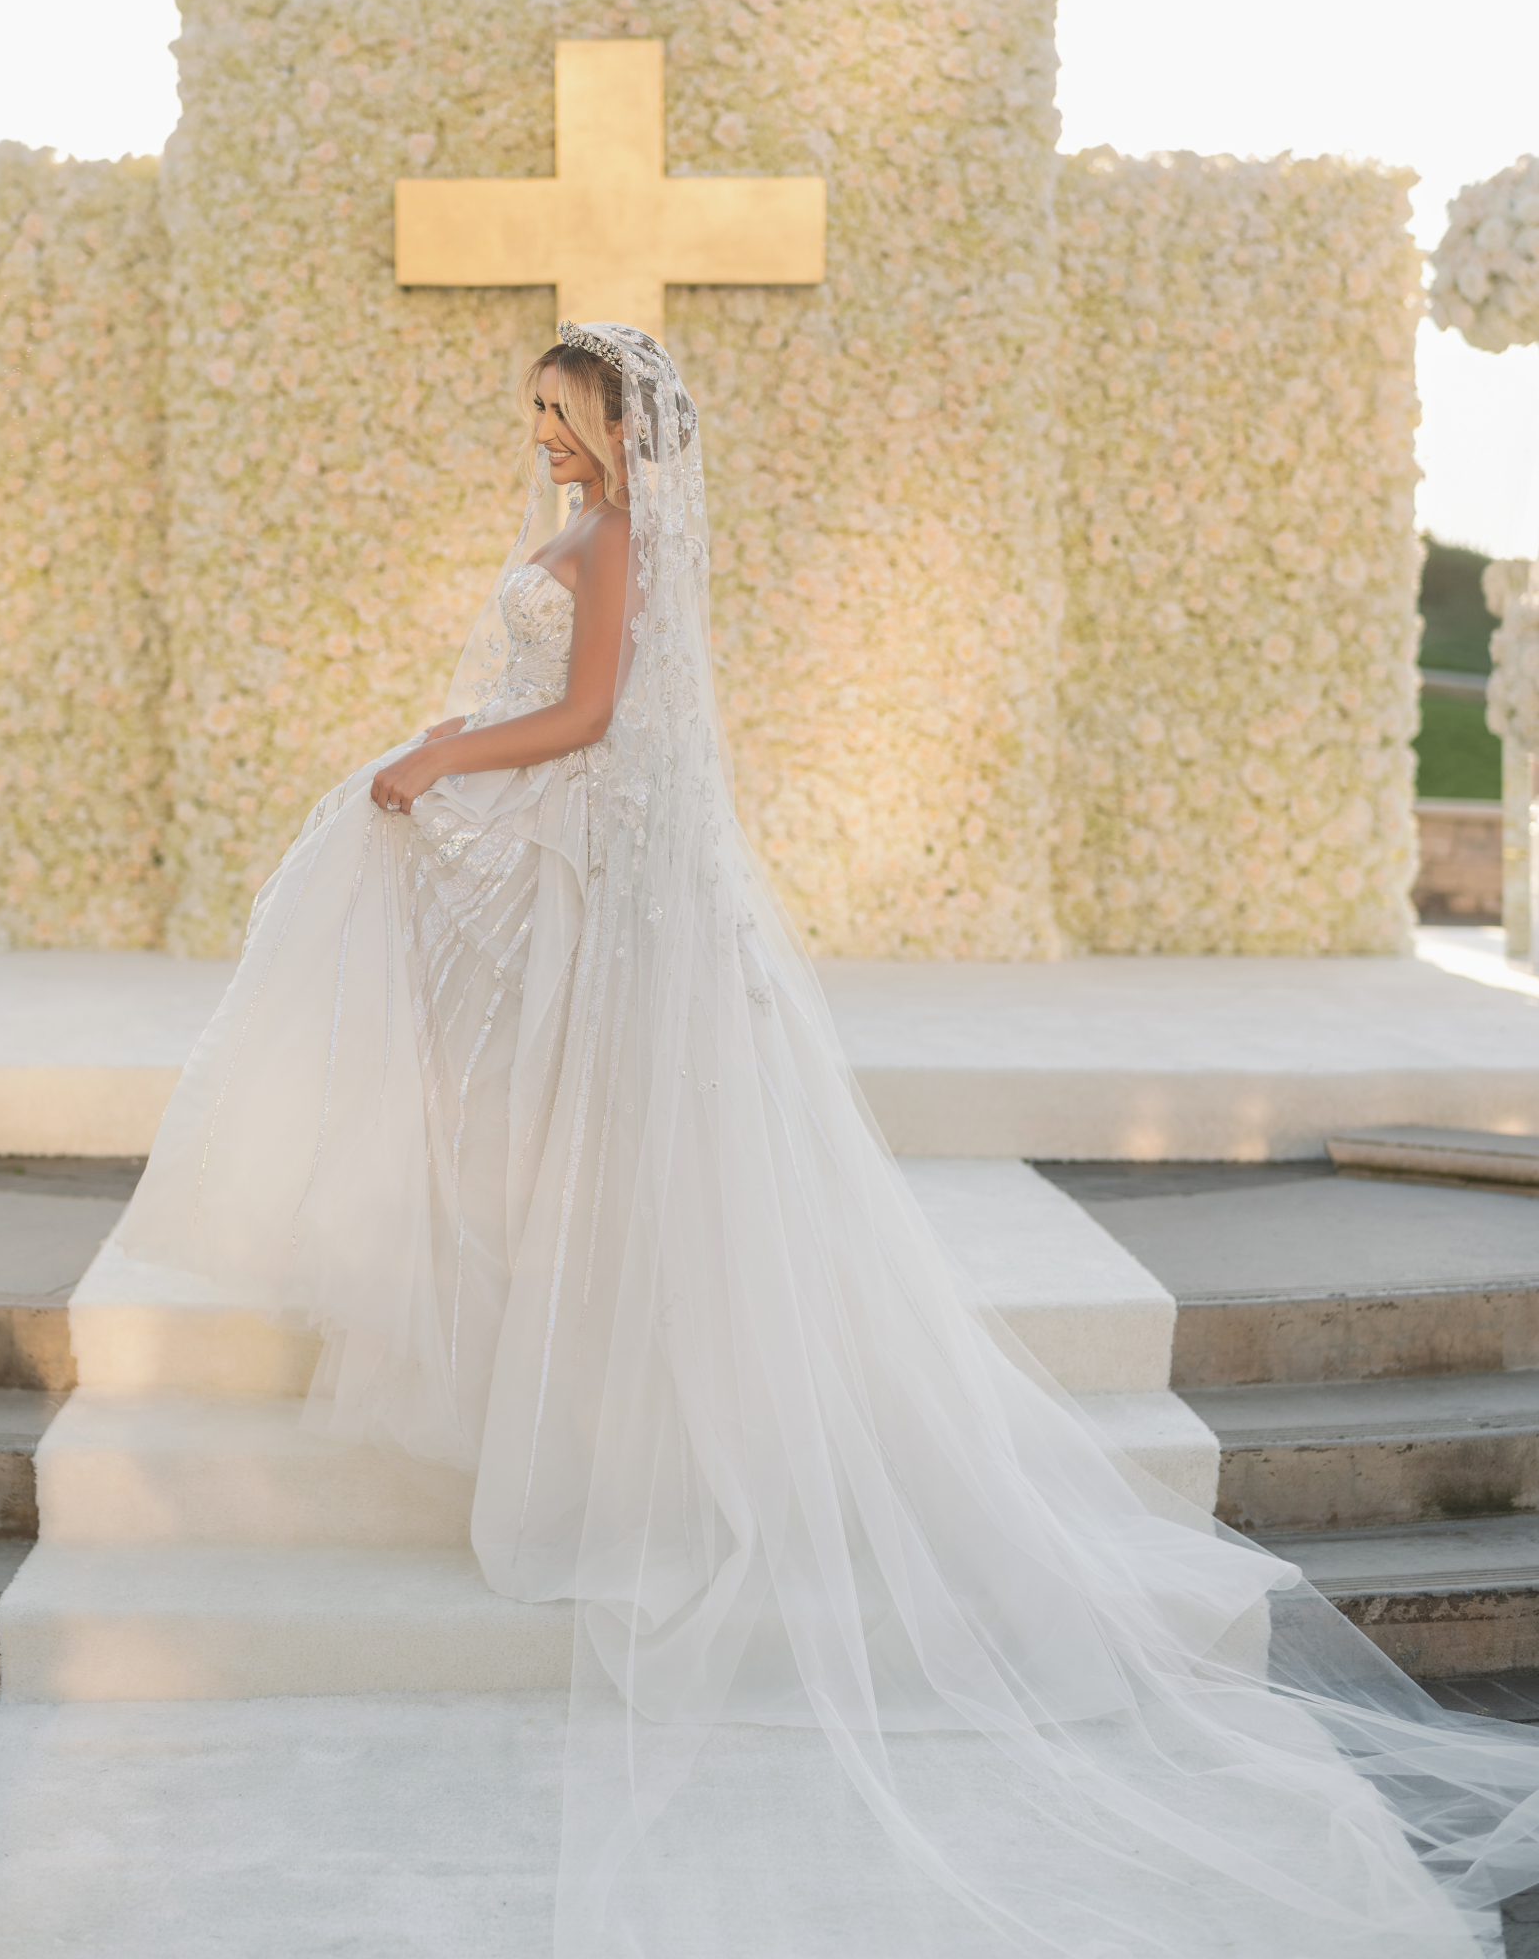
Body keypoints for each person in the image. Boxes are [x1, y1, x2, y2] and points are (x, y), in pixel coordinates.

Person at [120, 320, 1539, 1956]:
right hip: (570, 851)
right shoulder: (576, 527)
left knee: (607, 1154)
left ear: (616, 416)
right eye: (533, 412)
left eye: (559, 409)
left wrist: (439, 756)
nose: (542, 434)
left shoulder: (626, 538)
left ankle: (631, 1468)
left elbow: (585, 715)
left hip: (588, 841)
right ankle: (572, 1426)